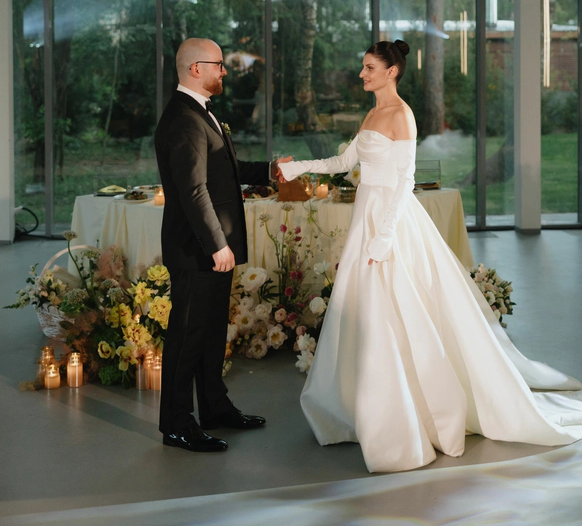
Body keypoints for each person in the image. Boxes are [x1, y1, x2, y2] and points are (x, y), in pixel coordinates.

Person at [279, 40, 582, 473]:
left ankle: (408, 416)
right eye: (363, 67)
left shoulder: (402, 115)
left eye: (369, 68)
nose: (362, 74)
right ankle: (366, 407)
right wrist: (296, 168)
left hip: (391, 222)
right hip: (367, 217)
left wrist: (384, 238)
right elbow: (344, 163)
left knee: (396, 309)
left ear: (391, 72)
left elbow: (405, 181)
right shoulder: (371, 113)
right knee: (366, 308)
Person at [155, 37, 288, 453]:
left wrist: (268, 169)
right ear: (196, 69)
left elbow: (224, 171)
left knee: (212, 331)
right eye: (218, 64)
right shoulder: (183, 119)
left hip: (209, 247)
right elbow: (194, 190)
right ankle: (177, 423)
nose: (224, 70)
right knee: (188, 335)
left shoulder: (200, 112)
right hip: (196, 249)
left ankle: (214, 407)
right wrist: (217, 244)